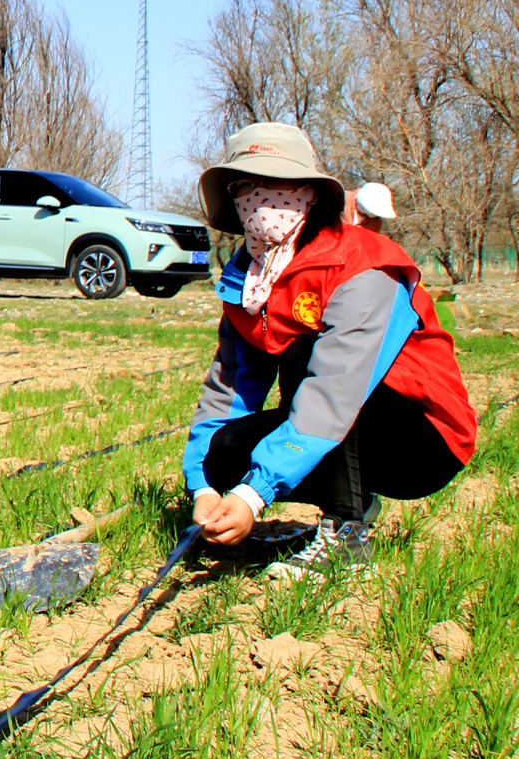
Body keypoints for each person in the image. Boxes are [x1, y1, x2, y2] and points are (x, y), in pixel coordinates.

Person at [185, 124, 475, 580]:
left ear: (311, 195)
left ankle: (347, 533)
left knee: (306, 353)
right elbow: (228, 388)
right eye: (246, 185)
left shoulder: (364, 265)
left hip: (421, 435)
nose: (262, 198)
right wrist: (204, 486)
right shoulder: (248, 280)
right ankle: (343, 504)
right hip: (339, 424)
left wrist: (252, 494)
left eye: (278, 184)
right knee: (222, 452)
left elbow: (336, 389)